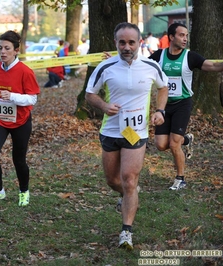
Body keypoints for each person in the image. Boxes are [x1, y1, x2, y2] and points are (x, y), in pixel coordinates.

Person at [85, 22, 168, 250]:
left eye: (131, 42)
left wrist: (160, 111)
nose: (127, 47)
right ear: (116, 43)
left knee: (129, 179)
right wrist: (103, 105)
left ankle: (126, 232)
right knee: (113, 181)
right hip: (111, 131)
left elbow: (163, 88)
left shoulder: (151, 66)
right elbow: (90, 94)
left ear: (139, 43)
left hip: (136, 132)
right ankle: (129, 195)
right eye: (122, 42)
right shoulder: (105, 67)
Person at [149, 23, 223, 190]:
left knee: (174, 143)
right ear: (171, 37)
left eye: (186, 36)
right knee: (161, 144)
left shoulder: (190, 57)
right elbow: (141, 66)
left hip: (183, 103)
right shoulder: (159, 55)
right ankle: (187, 139)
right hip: (164, 105)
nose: (185, 39)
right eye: (181, 35)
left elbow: (212, 66)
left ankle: (180, 178)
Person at [0, 30, 40, 208]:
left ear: (16, 50)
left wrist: (13, 97)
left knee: (18, 159)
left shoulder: (25, 71)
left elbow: (32, 98)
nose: (2, 52)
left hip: (21, 121)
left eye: (7, 48)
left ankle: (24, 191)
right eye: (0, 48)